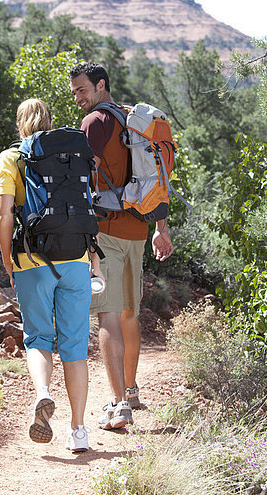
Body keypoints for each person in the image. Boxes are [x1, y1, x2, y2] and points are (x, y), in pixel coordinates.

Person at [0, 97, 104, 452]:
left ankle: (42, 393)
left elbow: (4, 214)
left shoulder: (12, 158)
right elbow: (88, 206)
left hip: (32, 259)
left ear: (19, 123)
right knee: (74, 347)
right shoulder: (73, 157)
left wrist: (8, 261)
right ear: (50, 121)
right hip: (75, 258)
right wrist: (95, 261)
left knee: (38, 338)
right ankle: (78, 431)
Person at [70, 63, 174, 429]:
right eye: (76, 92)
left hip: (105, 232)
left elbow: (83, 176)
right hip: (139, 231)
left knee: (107, 314)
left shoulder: (96, 122)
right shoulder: (134, 120)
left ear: (100, 86)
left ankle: (117, 405)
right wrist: (162, 227)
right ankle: (131, 390)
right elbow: (158, 178)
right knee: (129, 313)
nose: (79, 98)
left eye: (83, 90)